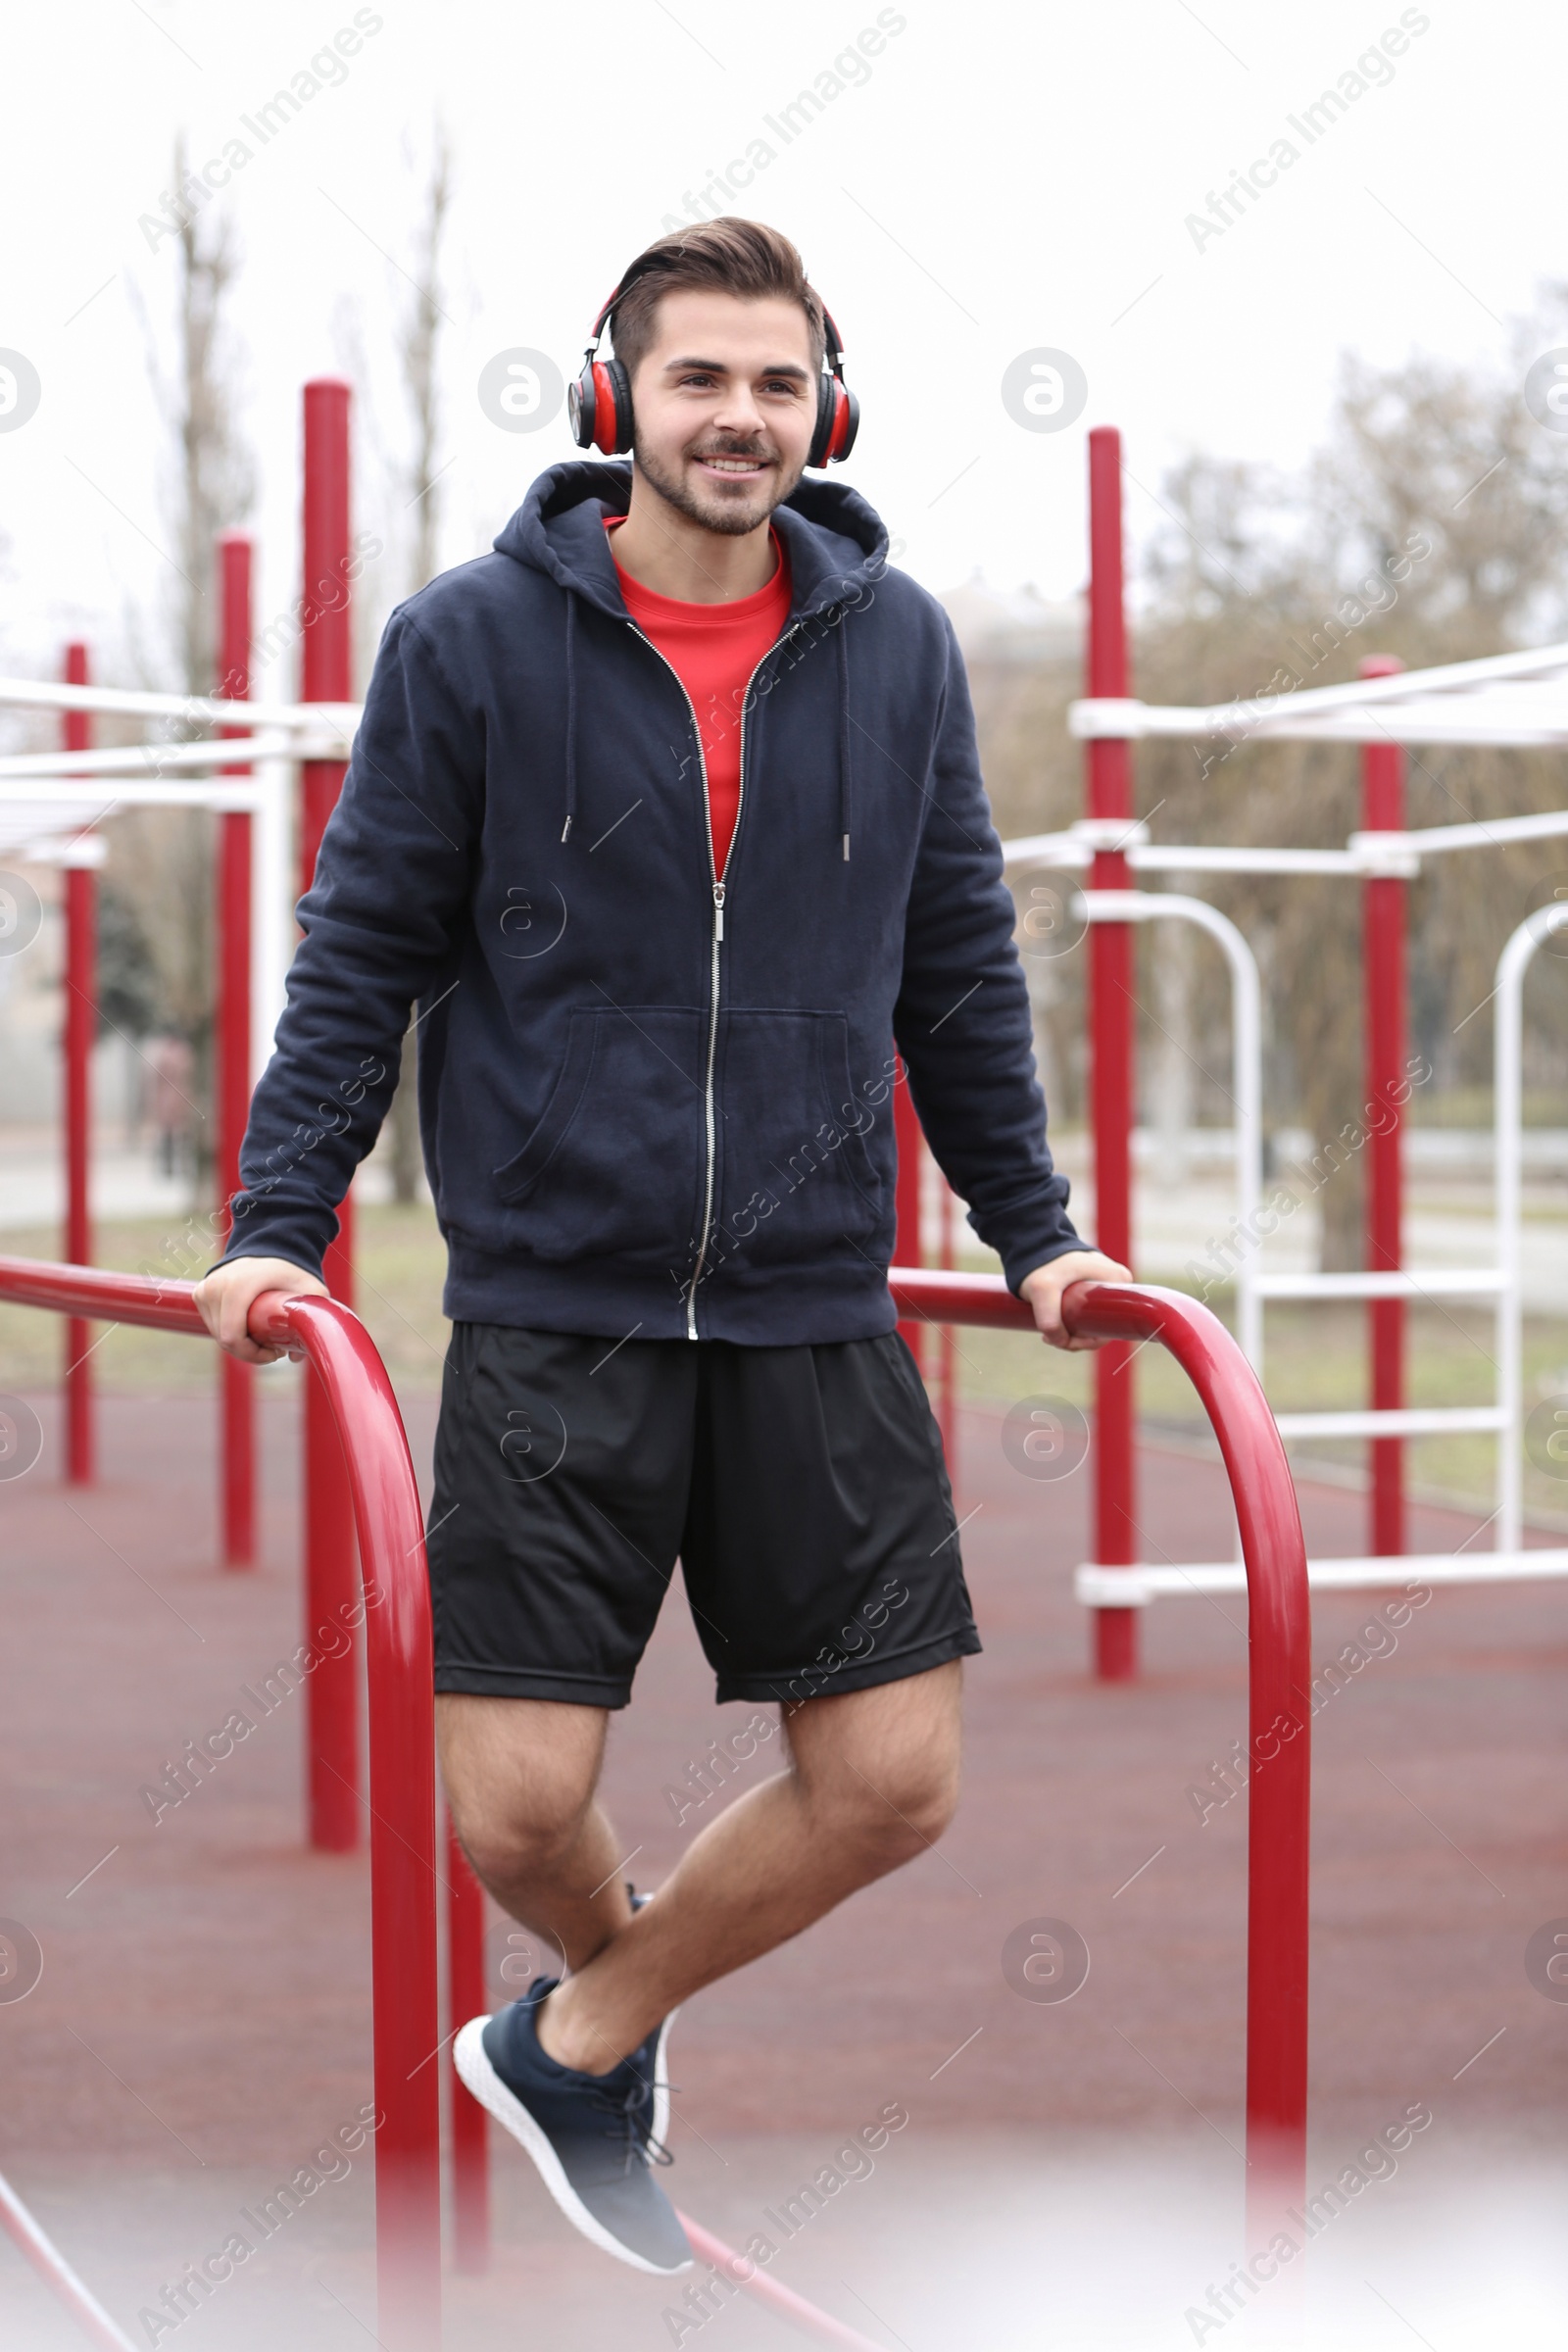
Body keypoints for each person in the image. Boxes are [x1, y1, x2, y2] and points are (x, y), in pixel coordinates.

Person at [195, 217, 1127, 2278]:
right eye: (698, 379)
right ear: (616, 401)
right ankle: (595, 2024)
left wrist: (1034, 1229)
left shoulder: (892, 647)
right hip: (557, 1305)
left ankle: (585, 2033)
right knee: (510, 1813)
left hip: (811, 1307)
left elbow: (954, 969)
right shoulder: (469, 644)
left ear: (828, 409)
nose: (738, 417)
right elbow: (360, 957)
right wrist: (277, 1226)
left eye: (775, 382)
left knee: (889, 1781)